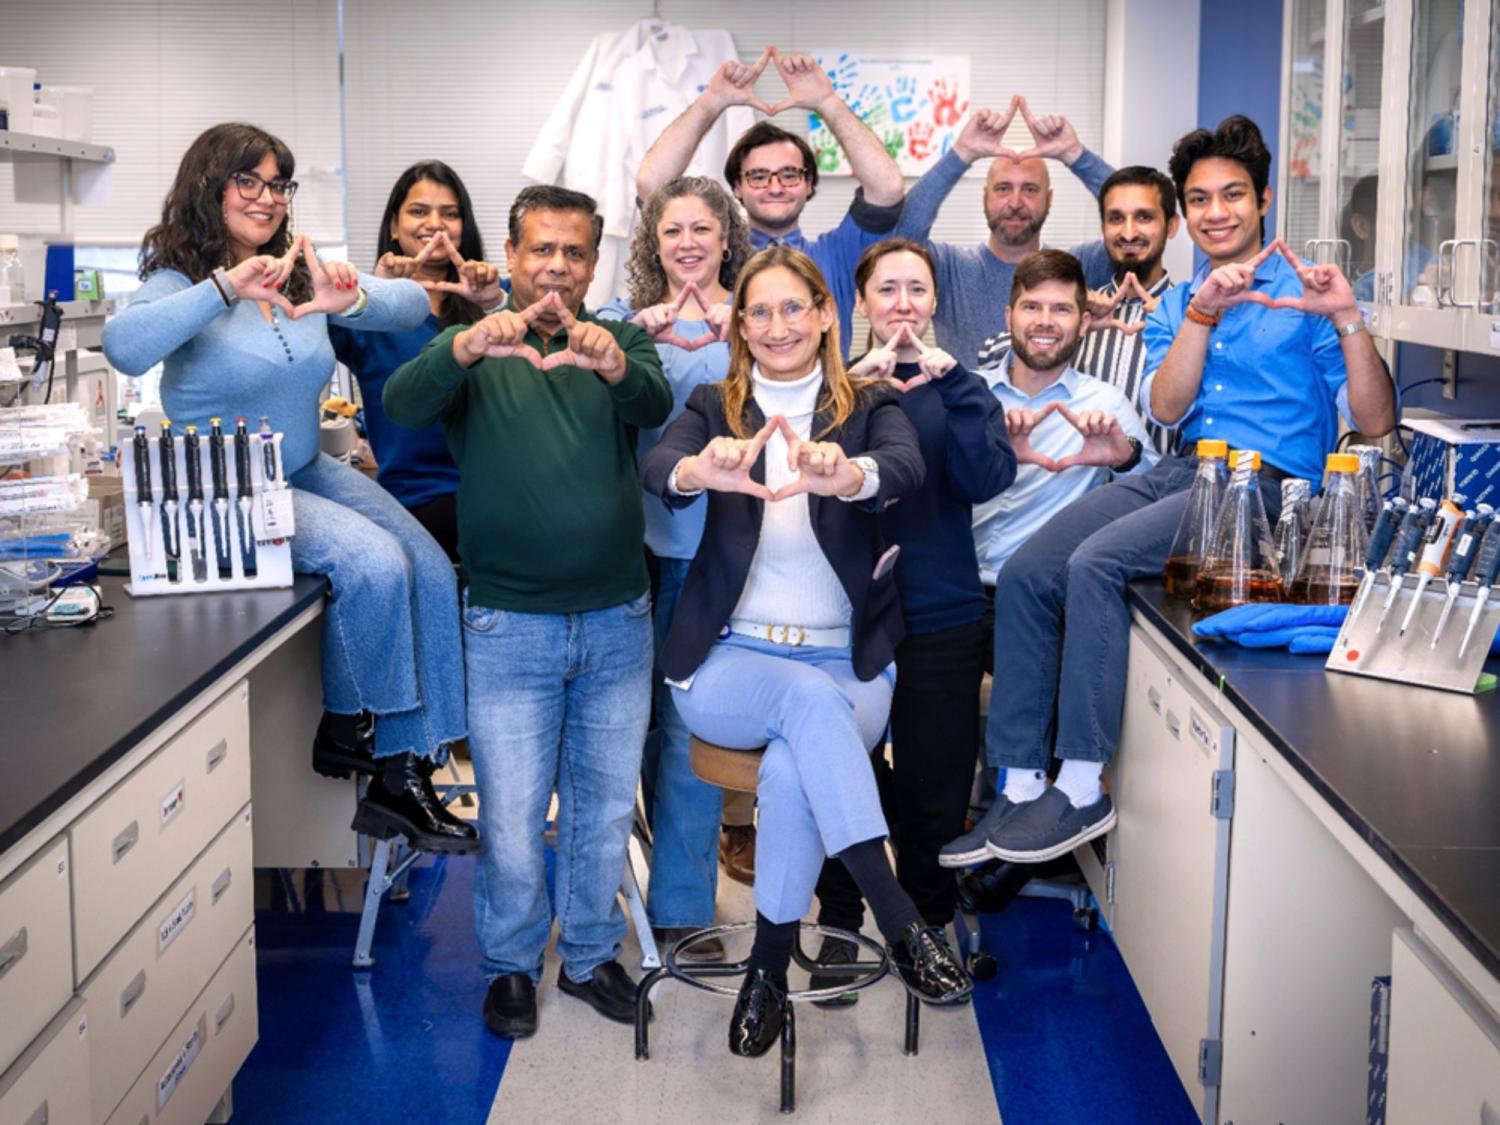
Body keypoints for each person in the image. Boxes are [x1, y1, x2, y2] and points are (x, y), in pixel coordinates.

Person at [944, 116, 1396, 868]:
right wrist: (1201, 312)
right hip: (1187, 467)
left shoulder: (1311, 293)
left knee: (1095, 562)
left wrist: (1347, 317)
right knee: (1029, 569)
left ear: (1264, 201)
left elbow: (1376, 421)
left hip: (1269, 488)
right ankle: (1020, 788)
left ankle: (1082, 782)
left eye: (1232, 196)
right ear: (1186, 214)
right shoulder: (1182, 297)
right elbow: (1166, 409)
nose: (1215, 212)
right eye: (1200, 200)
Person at [102, 122, 476, 856]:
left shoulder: (295, 269)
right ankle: (352, 730)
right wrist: (224, 287)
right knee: (371, 563)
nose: (268, 199)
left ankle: (411, 764)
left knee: (428, 563)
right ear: (210, 187)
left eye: (279, 184)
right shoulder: (180, 280)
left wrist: (348, 300)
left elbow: (412, 304)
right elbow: (125, 345)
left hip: (305, 466)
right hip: (228, 485)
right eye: (251, 181)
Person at [641, 244, 972, 1059]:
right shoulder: (712, 402)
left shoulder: (866, 403)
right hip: (725, 664)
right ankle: (899, 920)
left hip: (844, 664)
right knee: (801, 706)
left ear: (827, 313)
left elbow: (902, 466)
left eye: (796, 307)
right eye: (760, 311)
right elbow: (657, 466)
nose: (778, 324)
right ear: (739, 324)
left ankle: (765, 968)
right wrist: (699, 465)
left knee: (796, 760)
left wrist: (845, 471)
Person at [383, 185, 673, 1040]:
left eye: (573, 253)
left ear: (592, 264)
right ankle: (511, 965)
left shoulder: (616, 339)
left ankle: (586, 954)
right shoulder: (468, 348)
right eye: (540, 250)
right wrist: (467, 342)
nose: (556, 266)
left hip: (618, 621)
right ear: (510, 257)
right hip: (509, 625)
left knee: (602, 805)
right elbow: (400, 404)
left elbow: (652, 404)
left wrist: (614, 363)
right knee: (510, 814)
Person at [805, 238, 1016, 999]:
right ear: (859, 303)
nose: (901, 303)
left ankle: (925, 925)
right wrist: (842, 398)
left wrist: (955, 385)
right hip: (844, 618)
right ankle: (837, 918)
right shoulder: (829, 389)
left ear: (933, 303)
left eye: (916, 290)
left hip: (942, 609)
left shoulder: (964, 387)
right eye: (886, 289)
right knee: (838, 773)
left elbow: (987, 476)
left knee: (933, 785)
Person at [939, 249, 1157, 869]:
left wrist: (1121, 459)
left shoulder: (1104, 405)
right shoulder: (970, 395)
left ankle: (1013, 830)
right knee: (934, 735)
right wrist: (991, 454)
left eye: (1062, 308)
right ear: (1007, 315)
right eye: (1032, 306)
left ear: (1083, 323)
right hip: (961, 591)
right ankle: (964, 853)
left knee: (1045, 695)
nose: (1045, 319)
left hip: (1042, 603)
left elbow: (1152, 483)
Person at [597, 176, 753, 958]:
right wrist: (632, 336)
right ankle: (647, 884)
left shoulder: (758, 322)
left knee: (688, 730)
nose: (687, 242)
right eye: (671, 231)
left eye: (702, 228)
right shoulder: (621, 326)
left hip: (715, 560)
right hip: (631, 556)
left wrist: (741, 331)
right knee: (637, 730)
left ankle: (683, 910)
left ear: (728, 237)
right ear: (650, 246)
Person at [635, 46, 905, 352]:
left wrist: (827, 103)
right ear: (737, 186)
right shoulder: (712, 257)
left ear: (808, 184)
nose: (775, 187)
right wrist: (712, 102)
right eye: (759, 176)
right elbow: (651, 184)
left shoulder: (838, 254)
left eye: (789, 175)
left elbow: (888, 188)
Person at [329, 160, 504, 560]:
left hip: (500, 493)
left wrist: (492, 301)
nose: (436, 225)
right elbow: (299, 345)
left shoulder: (495, 298)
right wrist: (374, 294)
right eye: (419, 211)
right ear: (394, 225)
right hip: (420, 503)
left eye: (450, 213)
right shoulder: (366, 308)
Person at [891, 96, 1117, 365]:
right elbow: (903, 232)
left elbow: (1136, 216)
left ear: (1050, 199)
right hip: (964, 407)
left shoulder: (1079, 268)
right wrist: (961, 154)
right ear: (985, 196)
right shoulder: (949, 269)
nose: (1015, 203)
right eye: (1003, 188)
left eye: (1030, 190)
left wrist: (1075, 155)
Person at [979, 166, 1181, 455]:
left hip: (1154, 486)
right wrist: (1073, 321)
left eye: (1144, 217)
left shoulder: (1190, 316)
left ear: (1171, 226)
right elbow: (988, 358)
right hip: (1075, 483)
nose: (1128, 232)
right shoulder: (1080, 310)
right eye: (1115, 219)